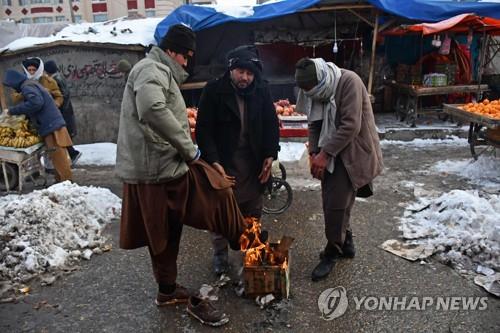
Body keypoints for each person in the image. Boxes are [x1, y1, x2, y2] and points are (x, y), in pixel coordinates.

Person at [115, 24, 246, 327]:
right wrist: (190, 150)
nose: (187, 63)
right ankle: (169, 288)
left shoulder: (158, 70)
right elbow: (152, 108)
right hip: (154, 171)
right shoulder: (151, 68)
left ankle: (169, 289)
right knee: (169, 227)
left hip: (165, 167)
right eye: (186, 56)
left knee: (170, 228)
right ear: (172, 51)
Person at [294, 57, 383, 282]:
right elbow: (314, 123)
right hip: (331, 150)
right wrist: (314, 152)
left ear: (320, 81)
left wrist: (325, 155)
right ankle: (347, 241)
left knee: (334, 205)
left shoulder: (347, 82)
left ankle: (332, 251)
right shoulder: (316, 91)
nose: (309, 94)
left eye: (309, 89)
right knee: (338, 202)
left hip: (353, 152)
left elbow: (350, 125)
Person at [196, 45, 280, 275]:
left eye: (250, 73)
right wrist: (213, 162)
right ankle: (220, 253)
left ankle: (250, 251)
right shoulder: (214, 90)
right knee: (221, 211)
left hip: (252, 162)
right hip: (223, 162)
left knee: (252, 209)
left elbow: (271, 124)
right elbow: (204, 130)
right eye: (241, 71)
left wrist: (270, 154)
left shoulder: (261, 90)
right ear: (231, 69)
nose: (245, 77)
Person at [3, 69, 73, 182]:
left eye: (11, 85)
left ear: (14, 82)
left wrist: (13, 111)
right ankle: (61, 180)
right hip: (51, 122)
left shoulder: (27, 86)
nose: (12, 88)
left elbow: (36, 103)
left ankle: (66, 182)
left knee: (57, 154)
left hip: (50, 124)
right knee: (56, 154)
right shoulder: (31, 84)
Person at [44, 60, 82, 165]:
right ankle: (71, 154)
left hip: (63, 111)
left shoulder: (55, 79)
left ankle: (71, 154)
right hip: (65, 110)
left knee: (62, 135)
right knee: (63, 135)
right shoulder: (59, 77)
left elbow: (63, 95)